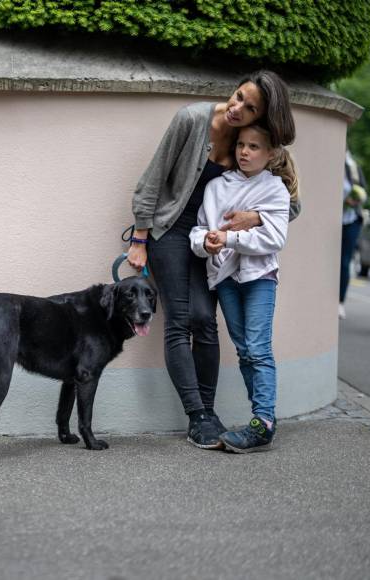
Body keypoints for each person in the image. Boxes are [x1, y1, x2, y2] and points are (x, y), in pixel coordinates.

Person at [128, 70, 300, 450]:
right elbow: (152, 180)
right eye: (238, 96)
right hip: (171, 231)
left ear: (262, 118)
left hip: (212, 238)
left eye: (250, 108)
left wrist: (254, 217)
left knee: (205, 320)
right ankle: (197, 416)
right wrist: (140, 236)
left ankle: (208, 411)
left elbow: (291, 205)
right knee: (179, 321)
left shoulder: (253, 143)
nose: (237, 109)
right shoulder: (192, 119)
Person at [190, 124, 297, 452]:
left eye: (254, 146)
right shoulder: (216, 187)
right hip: (225, 279)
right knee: (245, 350)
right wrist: (205, 244)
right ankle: (262, 420)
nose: (244, 152)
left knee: (258, 348)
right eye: (241, 145)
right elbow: (199, 229)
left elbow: (274, 238)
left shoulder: (275, 189)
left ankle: (263, 421)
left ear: (270, 154)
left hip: (259, 278)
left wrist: (230, 238)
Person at [340, 150, 367, 319]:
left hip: (351, 219)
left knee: (344, 261)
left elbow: (363, 191)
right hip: (332, 218)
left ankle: (340, 301)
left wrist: (355, 199)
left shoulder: (352, 165)